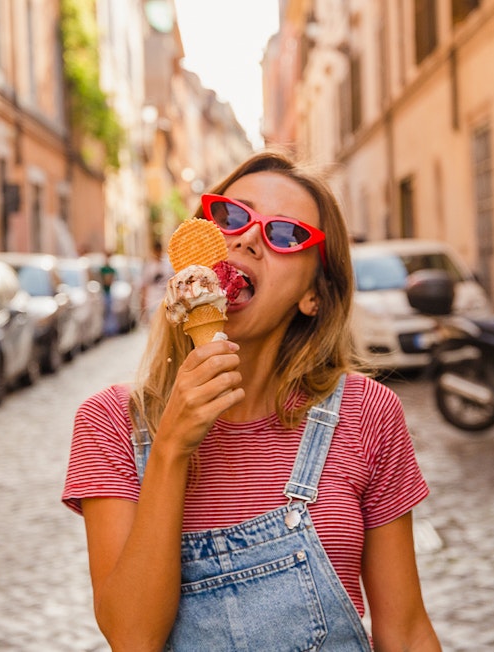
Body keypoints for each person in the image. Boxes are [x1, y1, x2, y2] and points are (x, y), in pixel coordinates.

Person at [62, 150, 443, 650]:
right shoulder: (110, 424)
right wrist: (172, 446)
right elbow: (132, 637)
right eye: (231, 215)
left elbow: (407, 630)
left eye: (286, 234)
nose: (247, 238)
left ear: (315, 296)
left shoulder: (368, 414)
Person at [139, 240, 171, 325]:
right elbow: (144, 286)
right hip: (152, 301)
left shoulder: (167, 264)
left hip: (165, 301)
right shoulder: (149, 266)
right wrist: (143, 305)